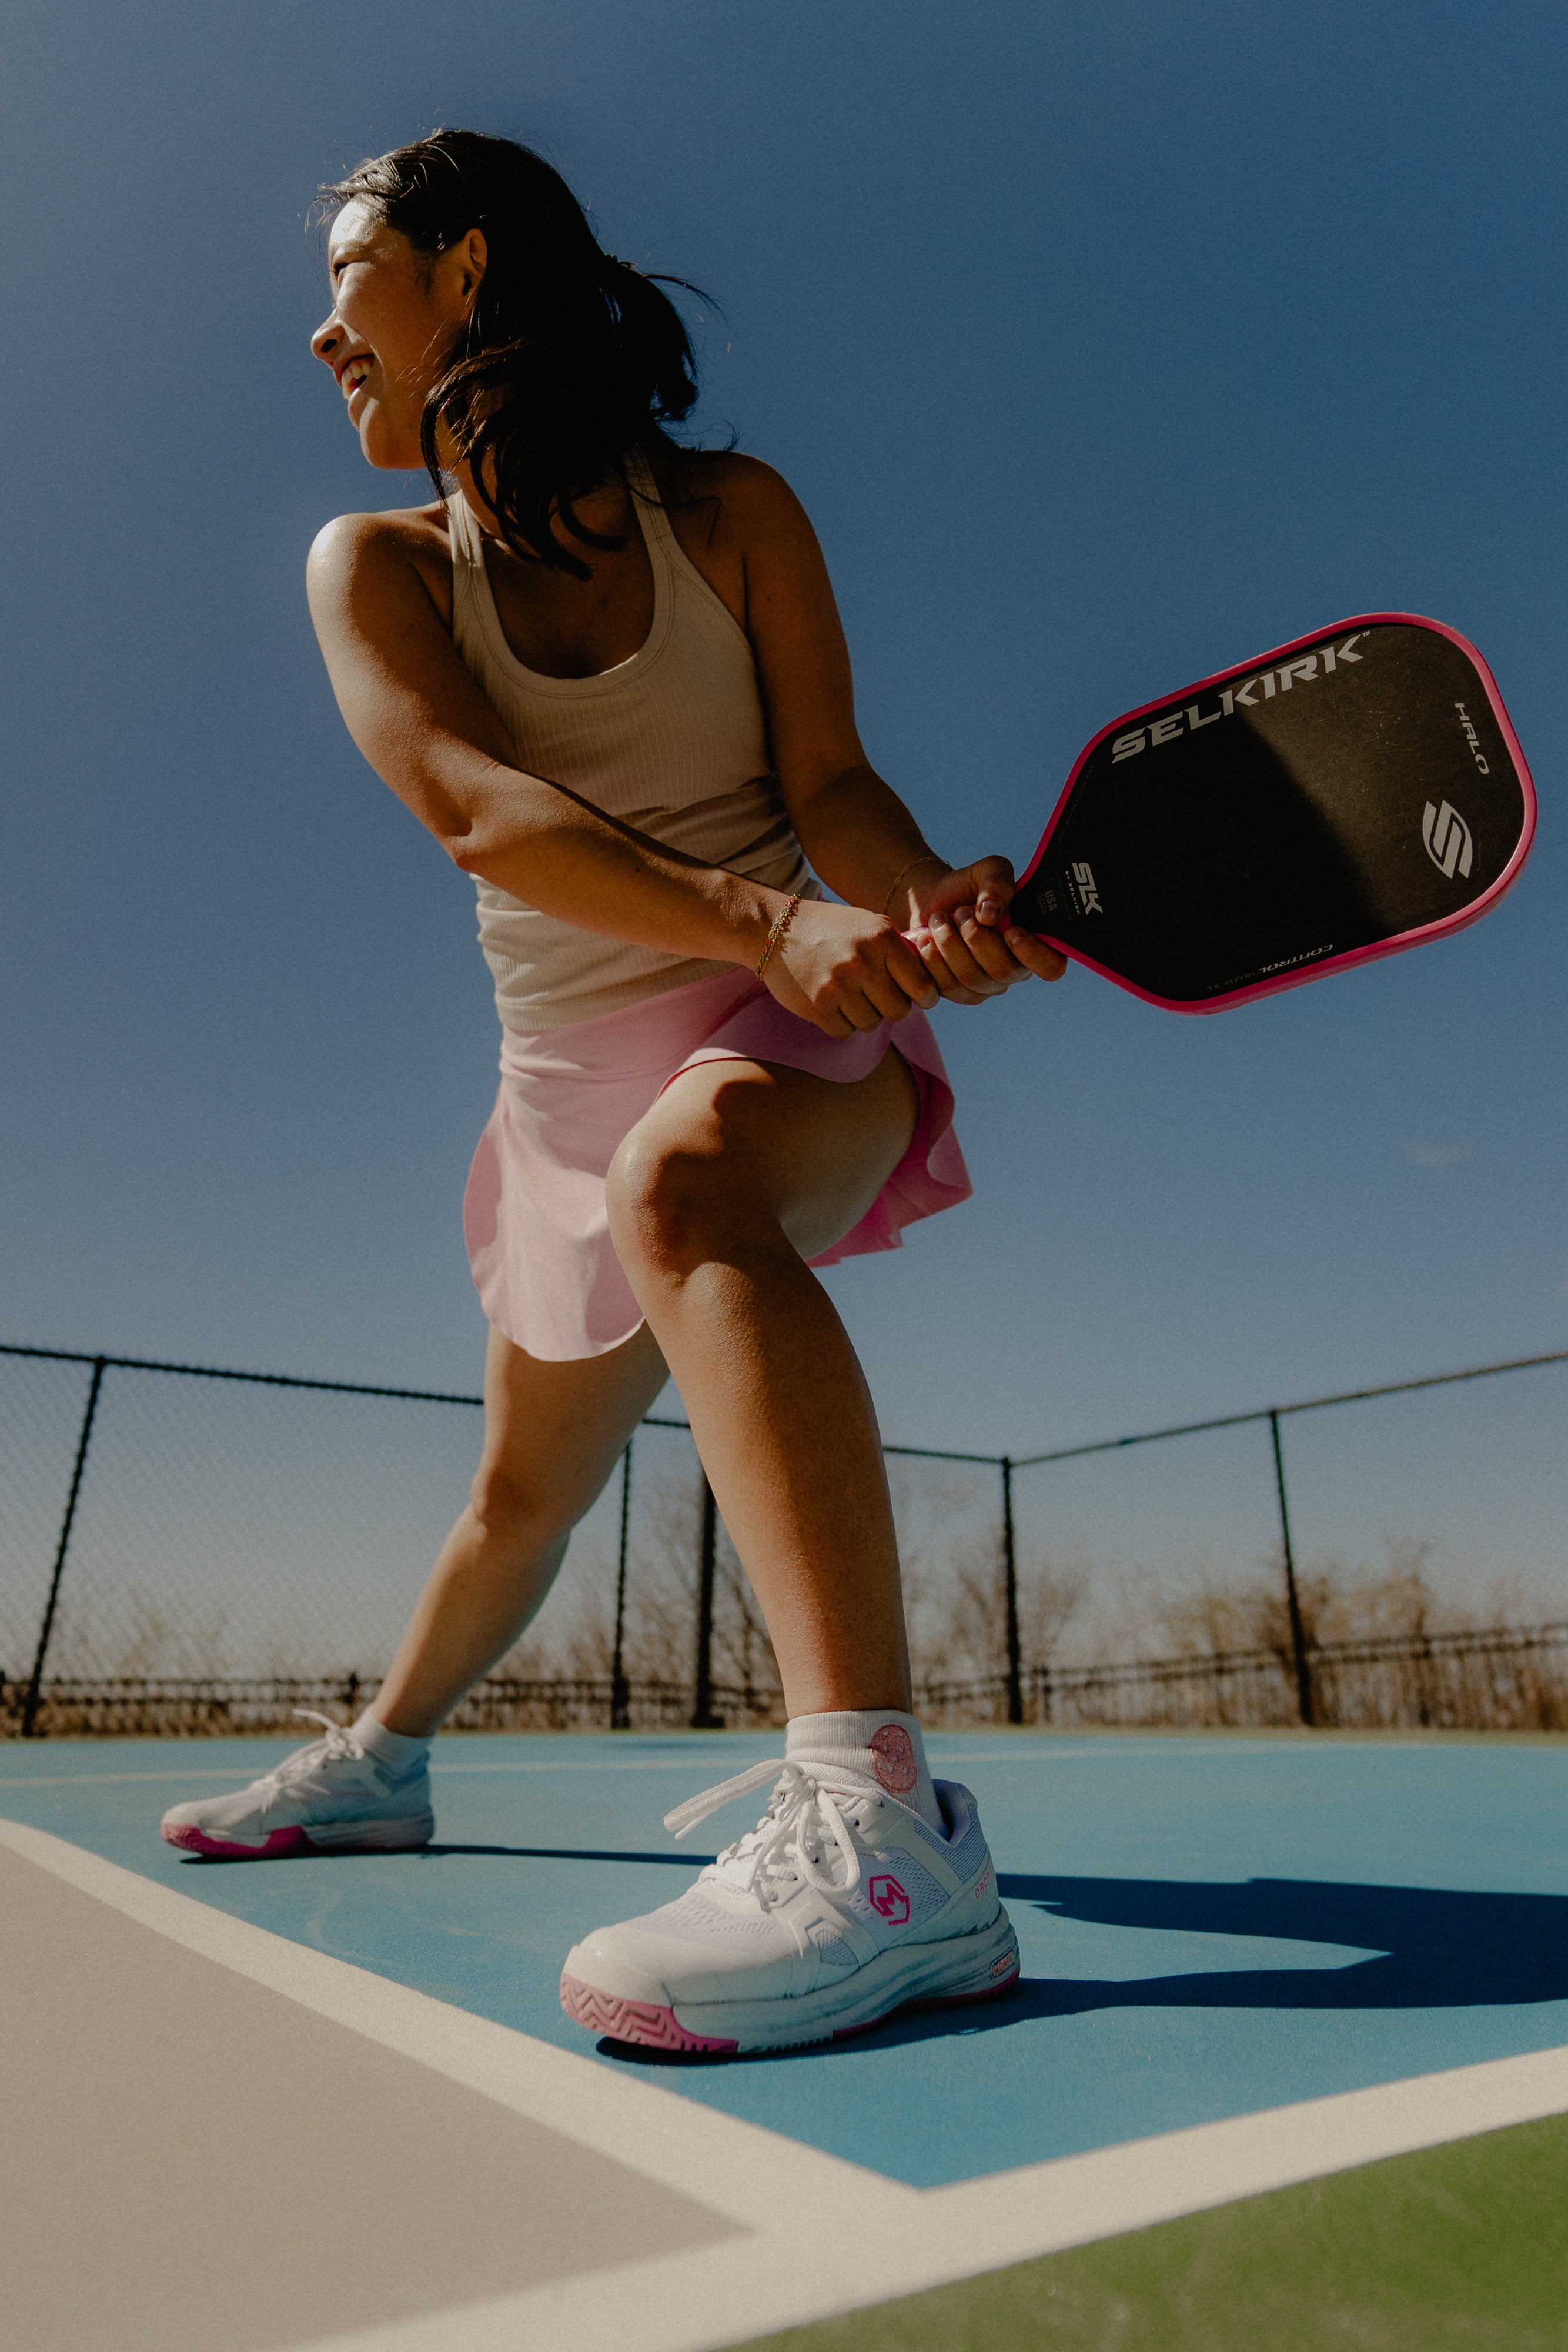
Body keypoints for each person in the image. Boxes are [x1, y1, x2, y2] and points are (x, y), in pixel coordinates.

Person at [161, 131, 1065, 2054]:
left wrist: (910, 901)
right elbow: (476, 810)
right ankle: (382, 1760)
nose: (321, 334)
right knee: (518, 1496)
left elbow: (831, 784)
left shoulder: (731, 514)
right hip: (571, 1074)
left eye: (349, 275)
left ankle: (887, 1827)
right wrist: (772, 919)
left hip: (785, 1043)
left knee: (688, 1179)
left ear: (468, 270)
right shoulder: (378, 565)